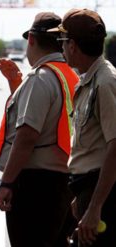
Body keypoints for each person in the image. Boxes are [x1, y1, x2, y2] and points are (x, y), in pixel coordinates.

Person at [0, 12, 79, 246]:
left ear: (31, 39)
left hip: (36, 188)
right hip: (66, 183)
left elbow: (27, 137)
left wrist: (7, 183)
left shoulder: (41, 78)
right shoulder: (71, 75)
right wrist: (16, 88)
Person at [49, 8, 116, 246]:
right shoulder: (90, 78)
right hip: (87, 188)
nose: (62, 48)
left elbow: (115, 149)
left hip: (100, 191)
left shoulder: (105, 82)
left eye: (62, 41)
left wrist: (95, 207)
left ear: (73, 45)